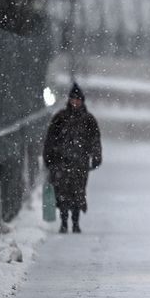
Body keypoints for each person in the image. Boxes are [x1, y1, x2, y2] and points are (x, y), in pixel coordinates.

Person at [43, 83, 102, 233]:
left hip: (79, 163)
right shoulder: (61, 118)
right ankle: (64, 222)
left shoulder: (87, 120)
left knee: (78, 193)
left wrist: (96, 156)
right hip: (62, 162)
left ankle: (75, 222)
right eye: (73, 99)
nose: (75, 102)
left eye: (77, 100)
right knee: (63, 193)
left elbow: (95, 140)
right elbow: (50, 139)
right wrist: (49, 157)